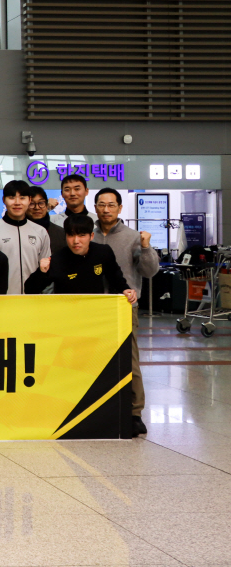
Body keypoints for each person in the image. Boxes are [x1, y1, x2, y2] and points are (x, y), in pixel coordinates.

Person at [92, 187, 159, 437]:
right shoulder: (88, 234)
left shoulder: (132, 237)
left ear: (120, 208)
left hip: (123, 307)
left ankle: (135, 413)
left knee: (129, 360)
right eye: (101, 204)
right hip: (93, 307)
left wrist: (145, 246)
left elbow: (150, 271)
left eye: (111, 205)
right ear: (95, 207)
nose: (106, 209)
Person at [0, 180, 51, 296]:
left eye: (22, 198)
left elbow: (46, 271)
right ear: (4, 200)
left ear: (29, 200)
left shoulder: (40, 232)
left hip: (33, 301)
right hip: (0, 301)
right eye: (12, 197)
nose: (17, 203)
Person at [28, 186, 66, 255]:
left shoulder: (61, 233)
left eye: (41, 203)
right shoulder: (19, 231)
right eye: (31, 204)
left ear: (46, 205)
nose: (37, 207)